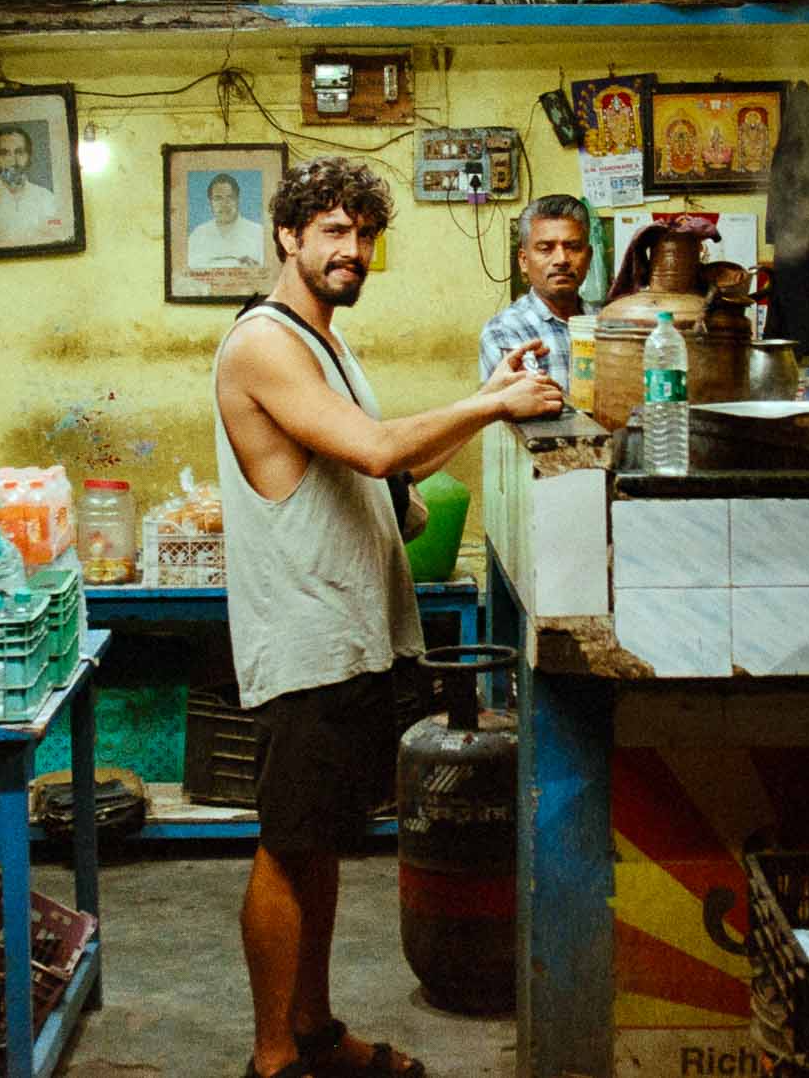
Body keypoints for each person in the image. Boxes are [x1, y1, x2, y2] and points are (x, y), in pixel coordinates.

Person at [213, 157, 562, 1078]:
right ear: (288, 235)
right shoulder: (263, 343)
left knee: (319, 844)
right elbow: (374, 451)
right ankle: (273, 1058)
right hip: (304, 638)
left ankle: (315, 1030)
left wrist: (484, 410)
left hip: (350, 635)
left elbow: (394, 471)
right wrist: (490, 400)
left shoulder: (324, 343)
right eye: (333, 231)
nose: (353, 250)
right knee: (287, 848)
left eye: (365, 234)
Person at [479, 193, 597, 390]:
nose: (561, 259)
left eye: (573, 247)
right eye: (545, 248)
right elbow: (506, 405)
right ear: (524, 261)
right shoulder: (504, 330)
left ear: (589, 257)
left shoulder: (607, 324)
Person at [0, 123, 65, 241]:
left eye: (19, 152)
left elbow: (58, 234)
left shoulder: (47, 197)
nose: (13, 161)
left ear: (29, 156)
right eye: (5, 153)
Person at [188, 172, 269, 270]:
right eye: (218, 198)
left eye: (230, 197)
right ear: (210, 202)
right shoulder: (197, 235)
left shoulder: (258, 233)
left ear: (237, 200)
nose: (224, 204)